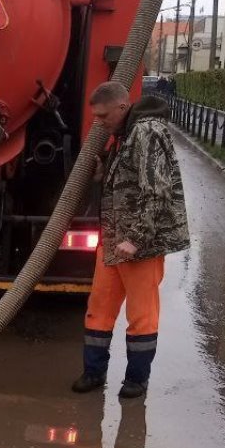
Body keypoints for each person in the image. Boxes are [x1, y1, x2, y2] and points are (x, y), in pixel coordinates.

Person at [72, 81, 189, 398]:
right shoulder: (125, 133)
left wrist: (136, 239)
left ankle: (136, 380)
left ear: (122, 108)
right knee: (99, 309)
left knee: (141, 315)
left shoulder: (147, 132)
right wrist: (101, 175)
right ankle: (93, 373)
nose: (99, 122)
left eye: (103, 115)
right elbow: (128, 180)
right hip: (113, 241)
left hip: (140, 247)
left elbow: (157, 191)